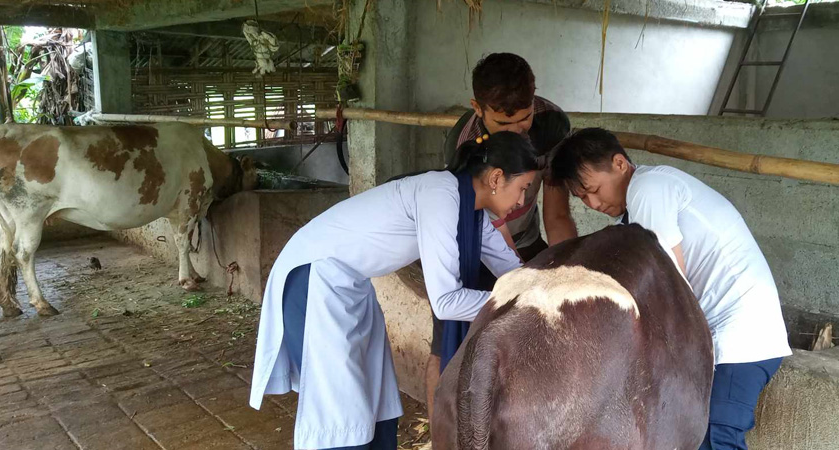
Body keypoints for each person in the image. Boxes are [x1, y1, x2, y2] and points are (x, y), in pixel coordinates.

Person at [250, 132, 539, 450]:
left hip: (350, 285)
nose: (521, 201)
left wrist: (543, 290)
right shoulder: (441, 194)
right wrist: (522, 303)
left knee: (374, 395)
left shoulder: (471, 212)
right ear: (496, 178)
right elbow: (446, 302)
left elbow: (515, 273)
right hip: (314, 279)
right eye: (523, 188)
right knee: (340, 409)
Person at [549, 127, 792, 450]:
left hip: (739, 340)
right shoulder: (637, 211)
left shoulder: (649, 188)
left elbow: (666, 285)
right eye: (582, 198)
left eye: (594, 190)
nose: (593, 203)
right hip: (721, 340)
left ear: (619, 163)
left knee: (716, 440)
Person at [426, 52, 577, 419]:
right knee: (447, 347)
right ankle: (441, 431)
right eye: (503, 124)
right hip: (473, 242)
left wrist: (567, 270)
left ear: (534, 100)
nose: (515, 132)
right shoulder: (464, 144)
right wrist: (517, 278)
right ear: (478, 108)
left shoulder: (552, 125)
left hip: (527, 237)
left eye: (524, 119)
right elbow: (490, 224)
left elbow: (557, 213)